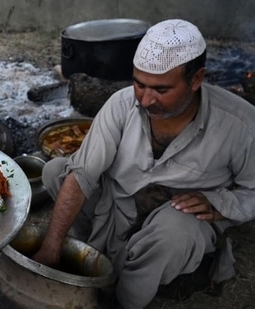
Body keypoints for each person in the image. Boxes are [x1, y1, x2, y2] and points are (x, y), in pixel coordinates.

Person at [32, 19, 255, 308]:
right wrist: (51, 247)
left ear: (197, 79)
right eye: (139, 84)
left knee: (175, 232)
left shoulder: (239, 124)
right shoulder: (121, 104)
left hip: (173, 223)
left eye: (161, 90)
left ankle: (122, 301)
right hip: (116, 208)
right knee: (55, 171)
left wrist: (220, 202)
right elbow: (83, 173)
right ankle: (93, 256)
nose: (146, 100)